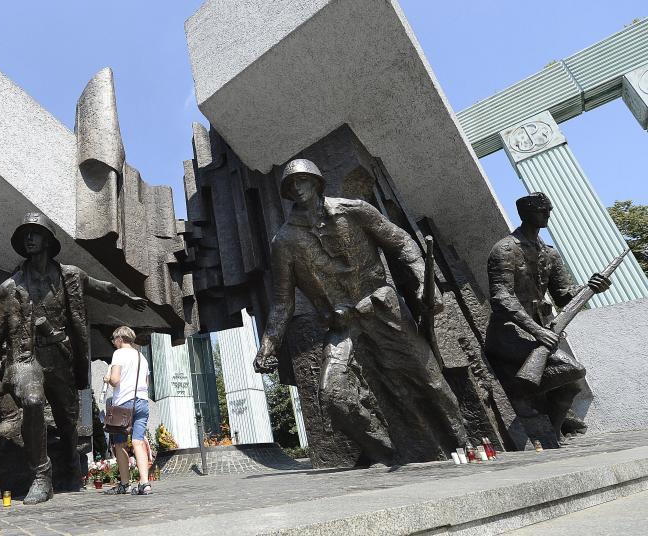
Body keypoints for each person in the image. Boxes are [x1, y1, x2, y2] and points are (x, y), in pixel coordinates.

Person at [253, 158, 467, 463]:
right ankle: (388, 455)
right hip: (342, 325)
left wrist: (424, 280)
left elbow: (401, 242)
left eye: (302, 181)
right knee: (333, 395)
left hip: (381, 308)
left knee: (429, 377)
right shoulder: (284, 241)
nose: (297, 188)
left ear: (316, 182)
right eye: (291, 185)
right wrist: (267, 347)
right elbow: (282, 302)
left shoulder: (354, 211)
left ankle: (464, 442)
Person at [0, 212, 146, 504]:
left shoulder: (70, 276)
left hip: (62, 359)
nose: (29, 238)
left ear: (49, 241)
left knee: (68, 421)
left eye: (35, 233)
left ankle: (72, 471)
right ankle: (42, 474)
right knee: (33, 401)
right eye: (25, 234)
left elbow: (103, 288)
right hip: (26, 360)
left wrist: (127, 299)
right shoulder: (10, 288)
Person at [485, 192, 610, 437]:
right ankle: (516, 391)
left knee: (570, 387)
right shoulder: (504, 249)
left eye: (549, 210)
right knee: (573, 370)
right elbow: (501, 298)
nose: (547, 215)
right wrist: (538, 331)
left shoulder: (549, 253)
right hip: (509, 333)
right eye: (541, 211)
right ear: (525, 213)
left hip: (539, 333)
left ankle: (552, 437)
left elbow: (563, 295)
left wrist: (590, 287)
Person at [103, 326, 152, 496]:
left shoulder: (119, 354)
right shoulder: (141, 356)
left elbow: (115, 380)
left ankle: (125, 484)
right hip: (143, 403)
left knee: (120, 444)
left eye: (113, 340)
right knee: (138, 442)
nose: (113, 343)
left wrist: (108, 378)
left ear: (119, 339)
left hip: (124, 404)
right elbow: (146, 383)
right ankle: (145, 484)